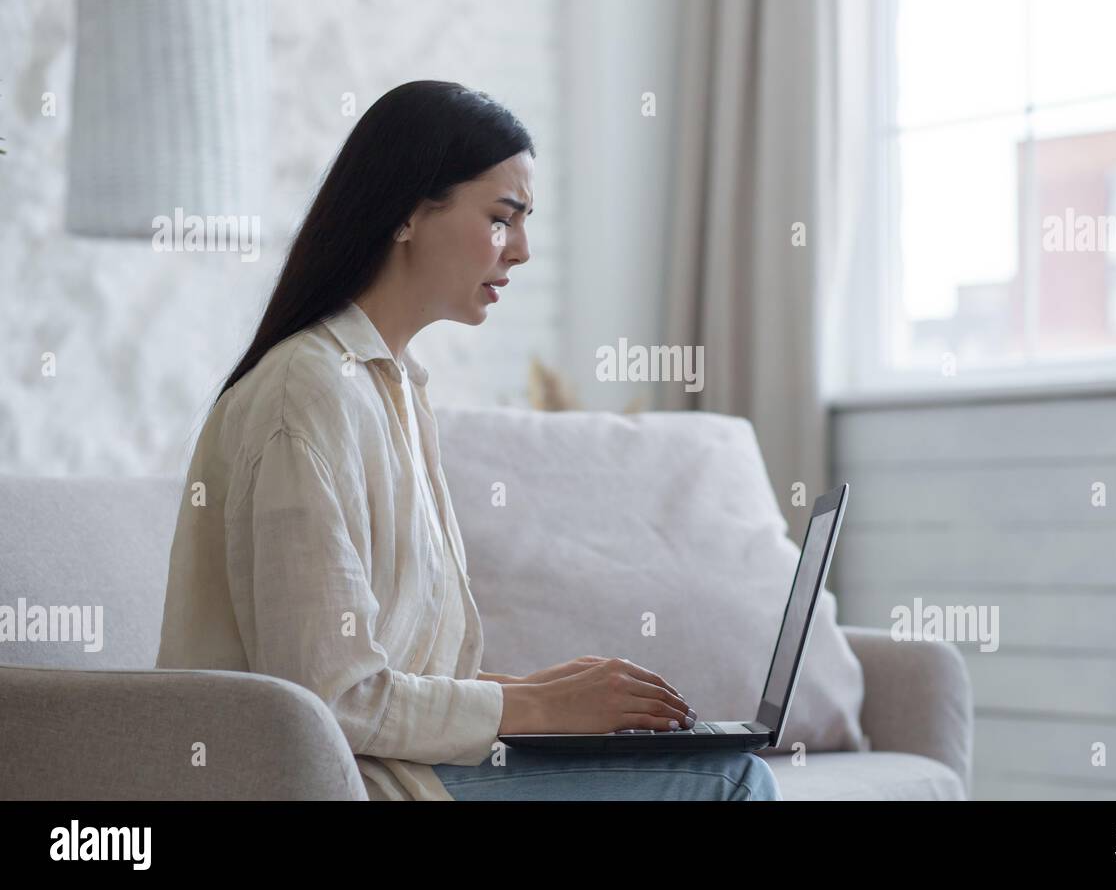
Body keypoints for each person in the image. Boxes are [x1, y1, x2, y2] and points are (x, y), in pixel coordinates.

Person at [155, 80, 782, 802]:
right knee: (730, 782)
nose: (520, 250)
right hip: (349, 783)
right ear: (409, 215)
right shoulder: (310, 392)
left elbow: (379, 671)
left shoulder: (389, 388)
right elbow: (328, 698)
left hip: (398, 765)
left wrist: (536, 693)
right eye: (501, 217)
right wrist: (538, 708)